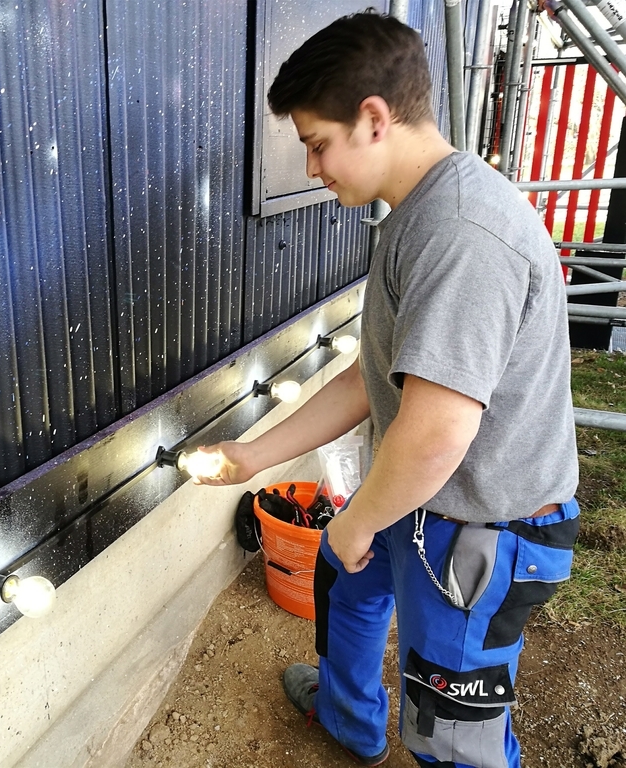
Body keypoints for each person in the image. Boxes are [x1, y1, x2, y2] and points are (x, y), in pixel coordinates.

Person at [193, 11, 579, 768]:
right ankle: (349, 719)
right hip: (423, 494)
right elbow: (373, 381)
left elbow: (436, 435)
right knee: (345, 586)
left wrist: (356, 521)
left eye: (316, 144)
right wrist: (253, 454)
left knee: (449, 729)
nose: (311, 168)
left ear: (373, 118)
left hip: (484, 528)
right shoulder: (419, 213)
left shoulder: (462, 233)